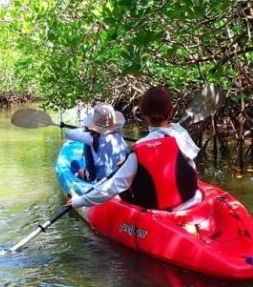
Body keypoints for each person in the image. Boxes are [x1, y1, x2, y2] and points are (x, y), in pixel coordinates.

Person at [67, 87, 202, 211]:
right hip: (191, 197)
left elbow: (114, 186)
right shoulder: (181, 134)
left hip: (156, 206)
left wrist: (78, 202)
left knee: (124, 184)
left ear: (143, 114)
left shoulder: (141, 147)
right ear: (172, 110)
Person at [65, 103, 129, 182]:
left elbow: (68, 134)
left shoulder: (90, 138)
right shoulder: (119, 135)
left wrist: (84, 128)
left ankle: (80, 173)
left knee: (76, 161)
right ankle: (84, 173)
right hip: (119, 175)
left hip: (100, 180)